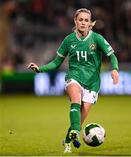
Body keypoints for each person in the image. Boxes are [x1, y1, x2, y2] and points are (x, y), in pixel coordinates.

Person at [28, 8, 119, 153]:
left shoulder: (97, 39)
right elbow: (56, 62)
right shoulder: (68, 40)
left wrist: (114, 69)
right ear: (75, 21)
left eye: (86, 20)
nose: (83, 23)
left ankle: (67, 141)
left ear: (90, 23)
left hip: (93, 83)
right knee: (75, 100)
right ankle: (76, 131)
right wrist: (40, 69)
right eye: (80, 20)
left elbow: (112, 55)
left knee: (80, 119)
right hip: (74, 77)